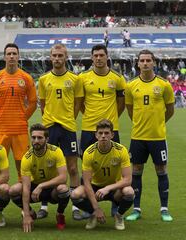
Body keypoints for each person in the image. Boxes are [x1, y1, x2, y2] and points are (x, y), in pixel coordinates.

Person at [125, 50, 175, 222]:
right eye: (142, 60)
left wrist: (158, 123)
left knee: (161, 171)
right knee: (136, 171)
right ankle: (136, 209)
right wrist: (141, 124)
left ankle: (164, 209)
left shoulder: (164, 85)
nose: (145, 63)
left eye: (148, 60)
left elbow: (170, 110)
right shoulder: (131, 86)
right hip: (138, 137)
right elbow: (130, 111)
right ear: (137, 63)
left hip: (158, 138)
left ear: (154, 63)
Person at [38, 43, 84, 220]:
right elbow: (43, 104)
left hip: (68, 128)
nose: (57, 59)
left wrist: (68, 118)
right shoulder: (43, 79)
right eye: (54, 56)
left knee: (72, 167)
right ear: (51, 57)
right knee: (48, 167)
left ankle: (75, 205)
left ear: (66, 57)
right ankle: (44, 204)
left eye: (60, 56)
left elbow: (78, 103)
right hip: (49, 128)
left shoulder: (75, 79)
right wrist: (49, 119)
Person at [79, 44, 126, 216]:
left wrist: (111, 121)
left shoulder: (117, 78)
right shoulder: (83, 78)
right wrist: (90, 117)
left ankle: (116, 203)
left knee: (116, 168)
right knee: (87, 168)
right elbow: (80, 102)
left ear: (107, 57)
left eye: (101, 55)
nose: (98, 58)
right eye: (95, 55)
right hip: (88, 129)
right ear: (92, 58)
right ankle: (89, 206)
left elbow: (121, 104)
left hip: (111, 130)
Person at [71, 119, 134, 230]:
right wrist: (96, 209)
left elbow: (128, 179)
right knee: (75, 194)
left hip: (114, 187)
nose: (103, 136)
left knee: (129, 191)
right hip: (95, 188)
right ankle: (93, 214)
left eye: (106, 133)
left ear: (112, 135)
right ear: (96, 135)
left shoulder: (121, 150)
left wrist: (108, 188)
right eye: (100, 133)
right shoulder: (89, 153)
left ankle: (119, 216)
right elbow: (86, 182)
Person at [0, 43, 37, 180]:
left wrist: (23, 117)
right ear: (4, 57)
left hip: (20, 129)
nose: (12, 56)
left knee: (23, 166)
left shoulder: (26, 78)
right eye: (9, 54)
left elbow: (33, 102)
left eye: (14, 53)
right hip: (1, 128)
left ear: (18, 56)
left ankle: (23, 198)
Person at [9, 123, 70, 232]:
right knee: (14, 190)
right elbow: (26, 187)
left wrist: (42, 185)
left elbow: (63, 178)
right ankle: (31, 213)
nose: (36, 140)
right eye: (33, 137)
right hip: (34, 190)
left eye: (40, 137)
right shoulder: (27, 158)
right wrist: (27, 214)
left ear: (47, 139)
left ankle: (60, 214)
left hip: (52, 189)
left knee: (63, 189)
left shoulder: (56, 151)